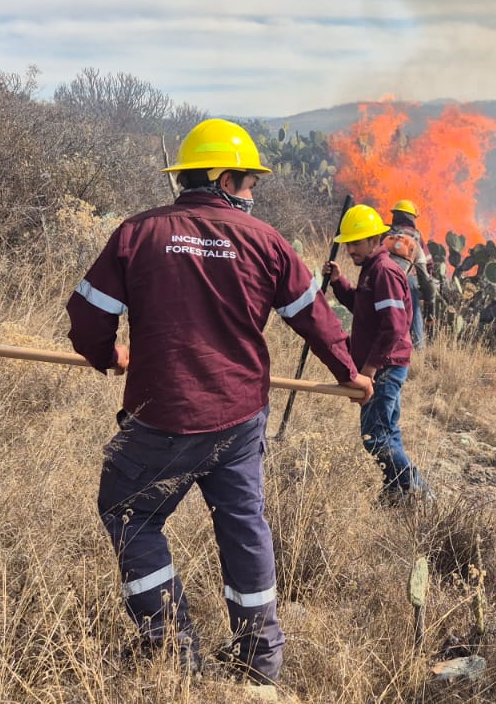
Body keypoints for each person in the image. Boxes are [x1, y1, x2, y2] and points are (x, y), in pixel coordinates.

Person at [68, 118, 373, 686]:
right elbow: (314, 317)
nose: (253, 194)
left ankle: (172, 648)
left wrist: (107, 355)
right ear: (224, 178)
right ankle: (260, 663)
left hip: (162, 415)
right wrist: (350, 373)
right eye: (249, 182)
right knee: (242, 525)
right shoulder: (267, 242)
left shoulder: (138, 233)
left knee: (130, 513)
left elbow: (87, 317)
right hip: (239, 418)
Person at [323, 204, 428, 499]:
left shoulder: (383, 272)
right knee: (387, 431)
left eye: (355, 243)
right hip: (384, 365)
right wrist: (338, 283)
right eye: (347, 244)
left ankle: (417, 490)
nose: (350, 250)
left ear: (373, 240)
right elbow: (362, 309)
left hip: (385, 367)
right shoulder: (372, 270)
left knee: (375, 436)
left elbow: (394, 327)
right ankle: (397, 492)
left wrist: (369, 369)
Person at [385, 199, 432, 350]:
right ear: (412, 218)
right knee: (414, 307)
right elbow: (427, 262)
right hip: (408, 278)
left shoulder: (386, 232)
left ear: (396, 215)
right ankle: (418, 344)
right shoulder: (416, 236)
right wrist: (429, 283)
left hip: (384, 276)